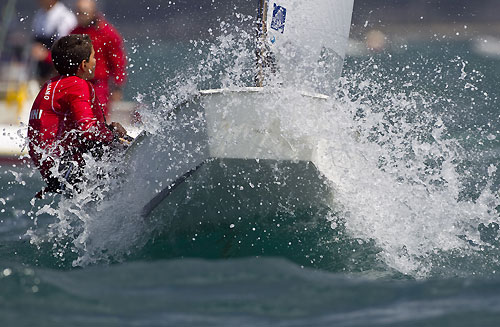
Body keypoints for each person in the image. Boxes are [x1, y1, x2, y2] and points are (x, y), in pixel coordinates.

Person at [28, 34, 127, 197]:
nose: (96, 62)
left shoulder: (51, 84)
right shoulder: (77, 85)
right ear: (83, 64)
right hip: (67, 168)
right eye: (94, 57)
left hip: (53, 172)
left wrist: (107, 130)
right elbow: (87, 128)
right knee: (119, 144)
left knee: (109, 139)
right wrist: (112, 134)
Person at [71, 0, 127, 118]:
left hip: (99, 84)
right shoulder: (74, 32)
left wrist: (117, 86)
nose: (79, 16)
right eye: (78, 12)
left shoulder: (107, 32)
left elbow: (117, 61)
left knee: (99, 117)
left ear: (93, 13)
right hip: (79, 83)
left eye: (83, 13)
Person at [31, 0, 77, 83]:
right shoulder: (39, 15)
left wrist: (46, 55)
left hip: (58, 74)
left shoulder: (65, 18)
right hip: (41, 72)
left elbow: (68, 53)